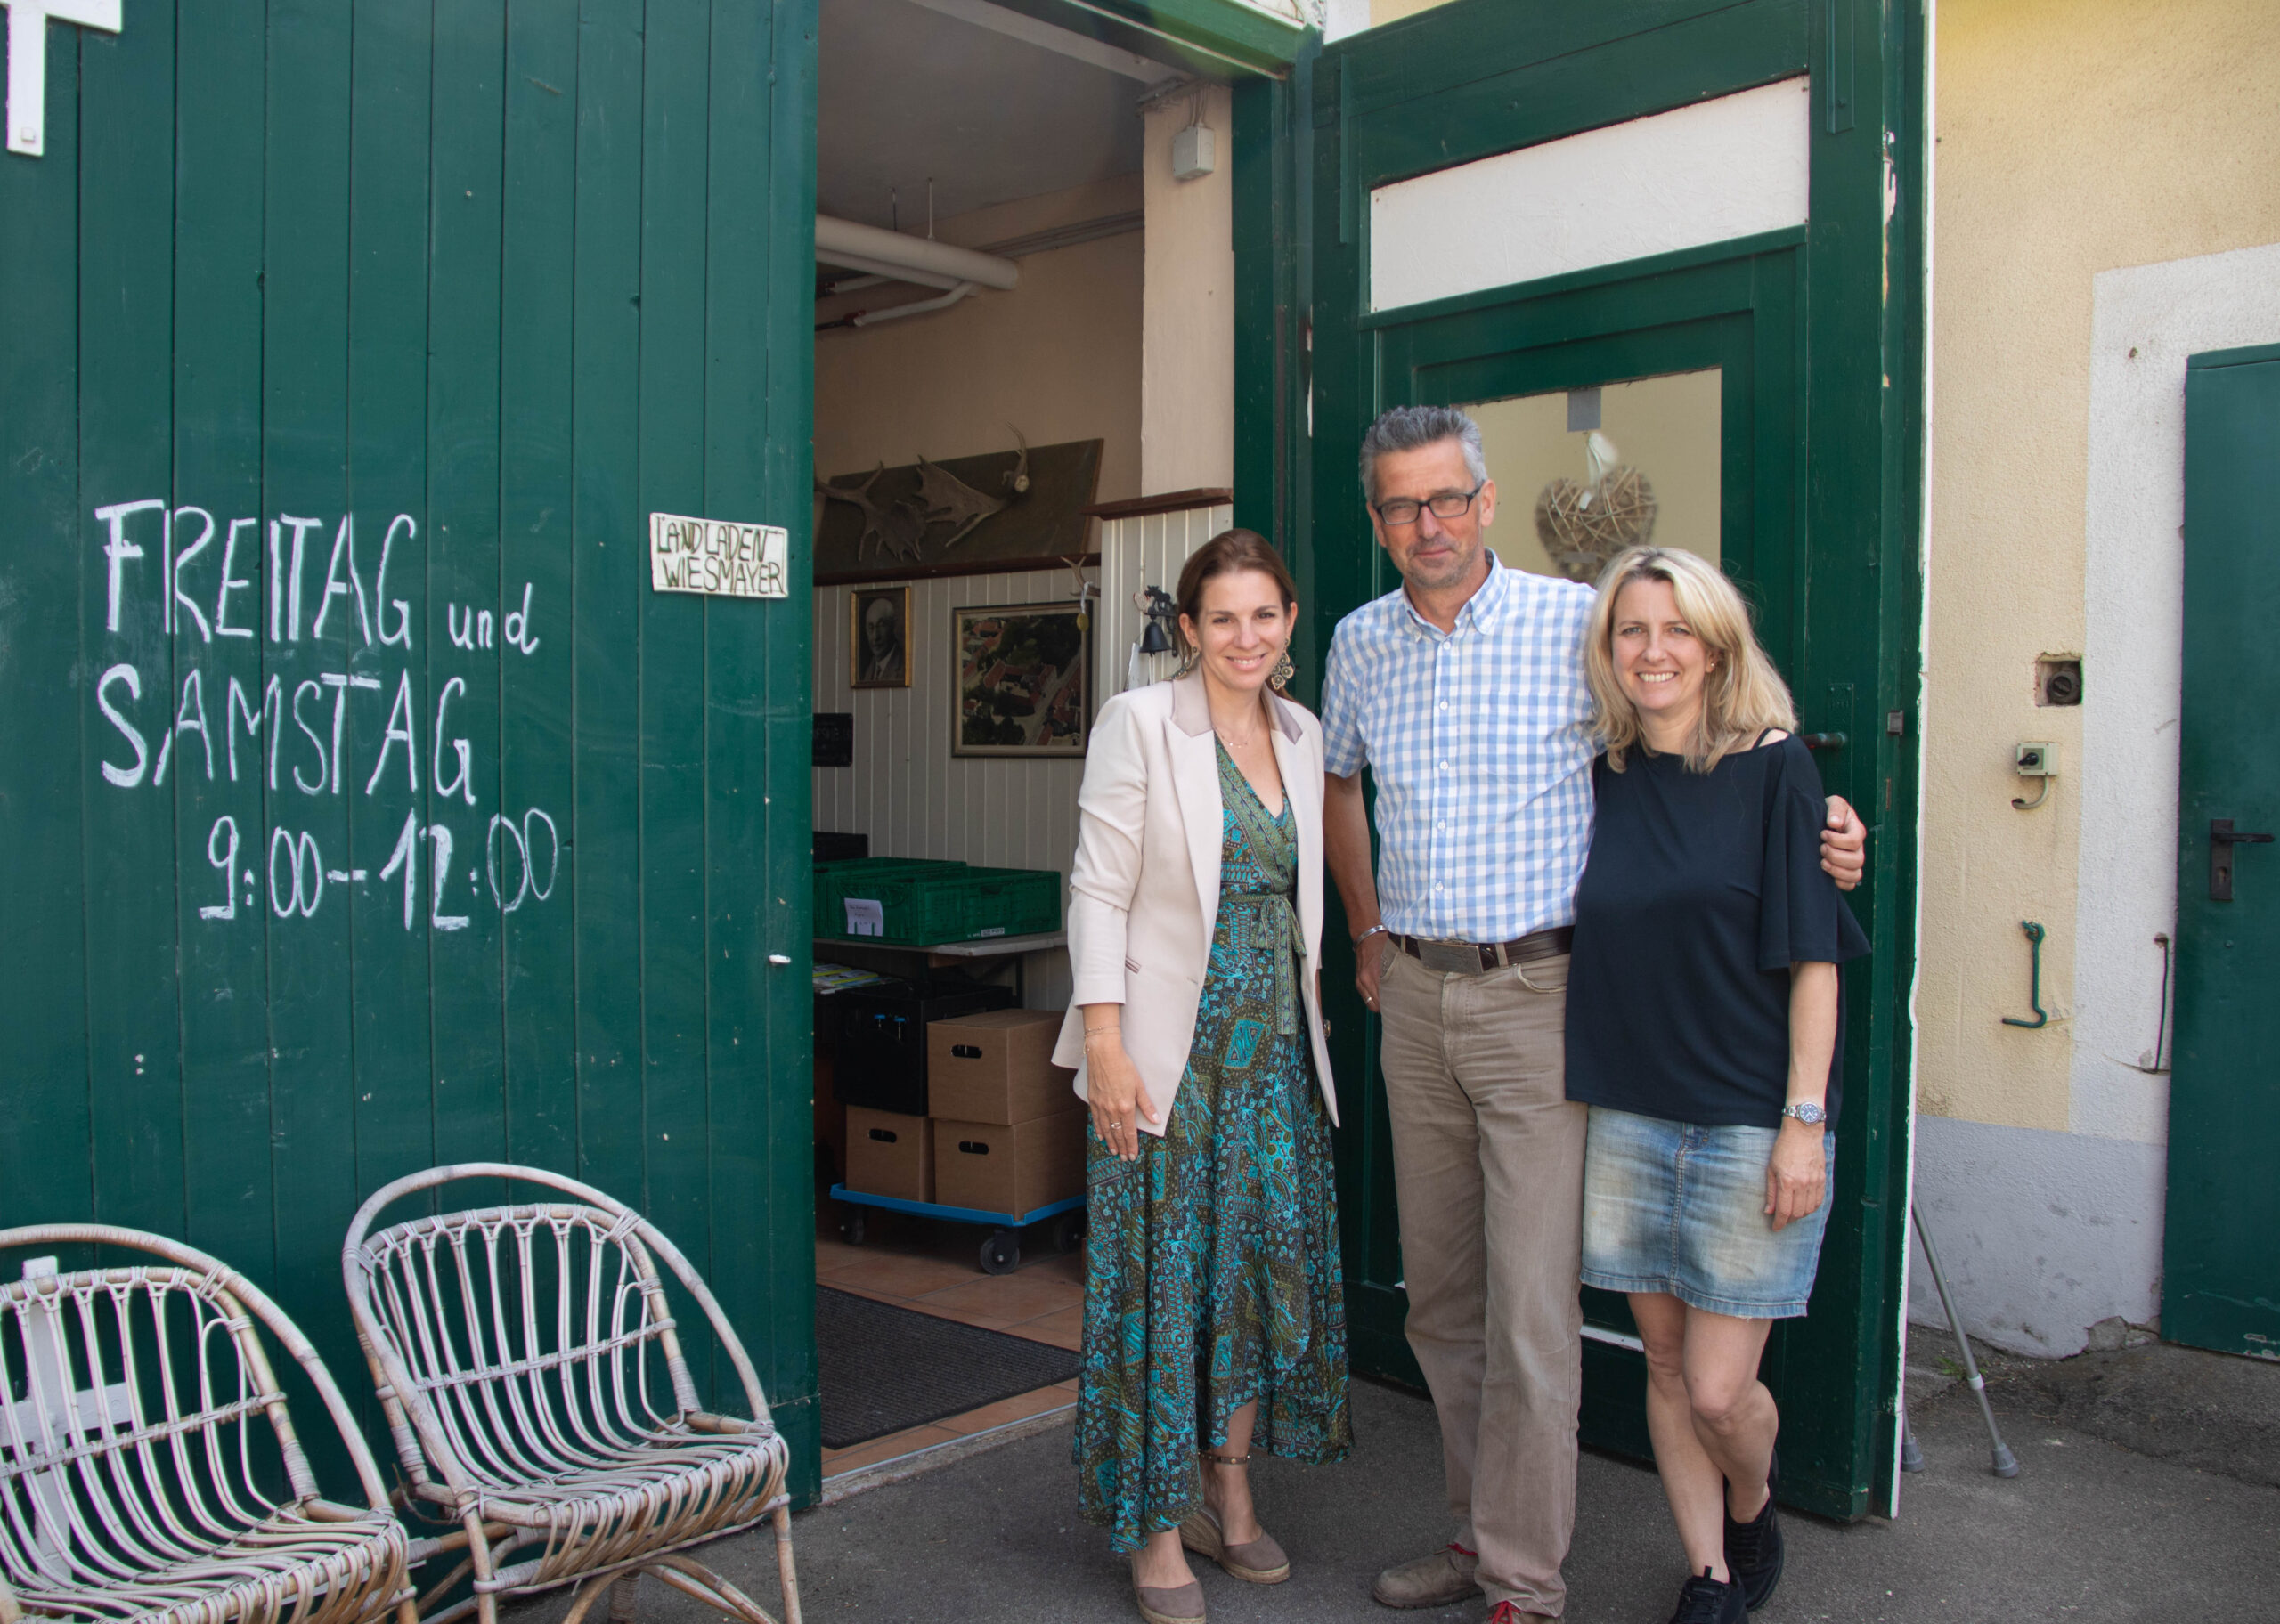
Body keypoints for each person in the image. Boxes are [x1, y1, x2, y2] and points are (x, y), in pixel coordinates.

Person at [1319, 406, 1865, 1623]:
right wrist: (1362, 928)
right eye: (1403, 506)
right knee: (1442, 1301)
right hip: (1414, 995)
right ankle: (1471, 1536)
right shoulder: (1358, 645)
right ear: (1379, 523)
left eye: (1447, 499)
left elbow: (1704, 724)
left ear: (1488, 498)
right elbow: (1339, 784)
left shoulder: (1581, 625)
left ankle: (1523, 1577)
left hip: (1544, 1000)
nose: (1428, 525)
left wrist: (1820, 821)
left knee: (1527, 1312)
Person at [1054, 529, 1352, 1624]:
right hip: (1165, 1053)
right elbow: (1096, 889)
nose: (1245, 637)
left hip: (1275, 1059)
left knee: (1249, 1274)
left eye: (1264, 616)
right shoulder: (1140, 722)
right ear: (1188, 629)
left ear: (1286, 625)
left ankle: (1227, 1485)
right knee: (1159, 1283)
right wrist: (1103, 1046)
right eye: (1221, 618)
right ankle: (1149, 1520)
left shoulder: (1305, 731)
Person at [1566, 547, 1868, 1624]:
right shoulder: (1596, 773)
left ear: (1714, 647)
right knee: (1656, 1360)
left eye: (1675, 630)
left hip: (1748, 1119)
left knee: (1716, 1389)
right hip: (1629, 1114)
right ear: (1608, 651)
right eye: (1631, 631)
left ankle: (1753, 1499)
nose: (1652, 652)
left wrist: (1803, 1123)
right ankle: (1707, 1574)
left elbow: (1814, 960)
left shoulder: (1774, 767)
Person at [859, 592, 904, 684]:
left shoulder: (903, 666)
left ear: (893, 626)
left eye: (881, 625)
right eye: (871, 627)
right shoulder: (869, 670)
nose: (875, 636)